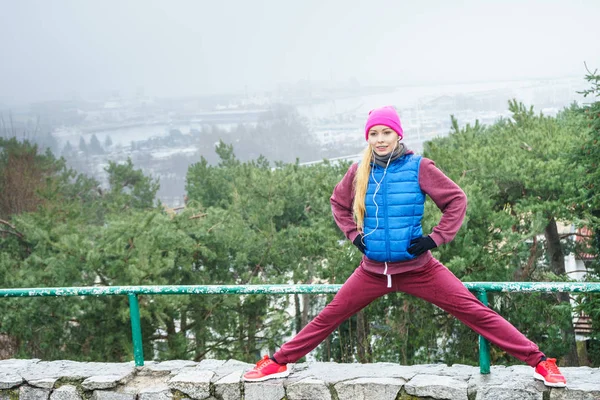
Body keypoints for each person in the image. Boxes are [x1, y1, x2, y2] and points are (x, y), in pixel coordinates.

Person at [242, 106, 567, 388]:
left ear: (398, 135)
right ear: (367, 138)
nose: (380, 139)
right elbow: (338, 205)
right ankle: (278, 362)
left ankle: (540, 362)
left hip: (419, 269)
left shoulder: (419, 167)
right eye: (374, 133)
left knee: (475, 312)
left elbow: (456, 200)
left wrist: (434, 238)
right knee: (329, 316)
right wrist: (355, 237)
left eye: (387, 132)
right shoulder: (359, 171)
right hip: (372, 272)